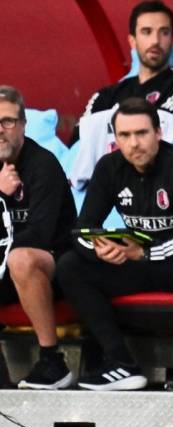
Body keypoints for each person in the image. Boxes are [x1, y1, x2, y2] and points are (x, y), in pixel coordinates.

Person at [56, 98, 173, 392]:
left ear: (158, 133)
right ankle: (120, 363)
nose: (134, 144)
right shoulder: (109, 167)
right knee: (70, 266)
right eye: (125, 136)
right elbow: (80, 231)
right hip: (143, 264)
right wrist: (100, 248)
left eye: (141, 133)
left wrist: (145, 252)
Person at [69, 0, 173, 189]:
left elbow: (166, 133)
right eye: (147, 32)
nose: (155, 41)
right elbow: (78, 141)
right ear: (132, 41)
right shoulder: (106, 94)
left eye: (164, 32)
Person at [0, 86, 77, 390]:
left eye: (7, 121)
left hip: (53, 268)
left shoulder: (42, 165)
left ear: (22, 124)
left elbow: (40, 235)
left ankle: (52, 362)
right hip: (6, 269)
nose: (0, 130)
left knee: (22, 258)